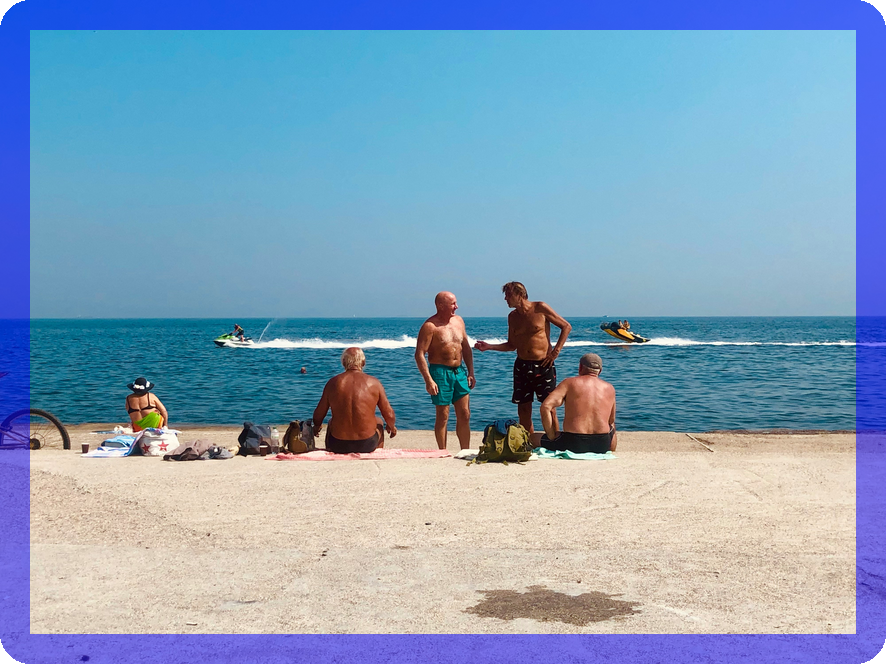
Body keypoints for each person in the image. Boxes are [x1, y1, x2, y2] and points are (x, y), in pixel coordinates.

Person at [474, 282, 572, 433]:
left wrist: (556, 352)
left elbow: (566, 326)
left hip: (543, 365)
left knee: (549, 407)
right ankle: (527, 442)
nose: (505, 299)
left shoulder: (540, 308)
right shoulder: (512, 317)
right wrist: (489, 347)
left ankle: (555, 441)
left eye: (508, 295)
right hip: (522, 366)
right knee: (524, 409)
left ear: (520, 294)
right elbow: (511, 345)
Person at [414, 291, 475, 449]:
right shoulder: (430, 326)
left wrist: (471, 372)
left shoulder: (459, 321)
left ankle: (465, 450)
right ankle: (442, 451)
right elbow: (419, 354)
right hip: (440, 372)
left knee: (465, 413)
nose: (457, 306)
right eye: (453, 303)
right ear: (441, 306)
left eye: (456, 302)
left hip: (459, 371)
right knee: (443, 415)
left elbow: (466, 347)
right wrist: (428, 380)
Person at [312, 347, 397, 454]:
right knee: (379, 422)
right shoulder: (374, 383)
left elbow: (319, 414)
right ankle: (377, 453)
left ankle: (330, 449)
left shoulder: (333, 383)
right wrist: (391, 427)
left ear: (343, 362)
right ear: (363, 362)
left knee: (331, 422)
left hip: (338, 445)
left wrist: (317, 426)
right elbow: (389, 414)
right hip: (367, 444)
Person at [537, 353, 617, 453]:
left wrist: (551, 435)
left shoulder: (569, 383)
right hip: (601, 445)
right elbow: (611, 419)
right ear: (600, 371)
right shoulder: (610, 388)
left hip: (574, 443)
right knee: (611, 424)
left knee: (533, 438)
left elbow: (545, 406)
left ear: (580, 367)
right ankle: (611, 448)